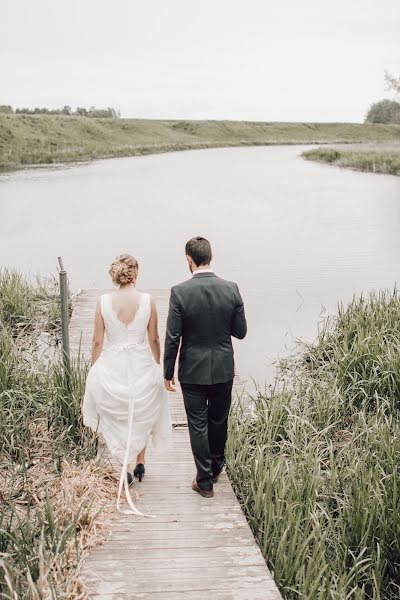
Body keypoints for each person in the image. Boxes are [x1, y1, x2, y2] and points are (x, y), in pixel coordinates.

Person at [82, 254, 172, 515]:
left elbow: (97, 341)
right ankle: (140, 461)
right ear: (135, 273)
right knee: (141, 408)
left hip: (113, 363)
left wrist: (95, 369)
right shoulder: (148, 300)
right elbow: (154, 337)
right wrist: (157, 365)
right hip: (141, 362)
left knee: (118, 411)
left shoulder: (102, 302)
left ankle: (124, 464)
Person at [164, 237, 247, 498]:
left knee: (198, 424)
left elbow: (172, 337)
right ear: (211, 257)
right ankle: (216, 466)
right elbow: (241, 332)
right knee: (219, 419)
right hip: (223, 367)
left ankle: (204, 481)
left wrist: (167, 372)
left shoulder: (180, 292)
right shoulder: (231, 288)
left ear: (189, 260)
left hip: (192, 370)